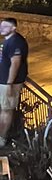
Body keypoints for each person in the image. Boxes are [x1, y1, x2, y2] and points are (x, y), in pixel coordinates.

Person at [0, 17, 29, 148]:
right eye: (1, 26)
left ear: (13, 28)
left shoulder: (16, 42)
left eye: (5, 26)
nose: (2, 29)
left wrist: (10, 84)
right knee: (3, 109)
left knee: (6, 110)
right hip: (4, 82)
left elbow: (15, 63)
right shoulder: (8, 41)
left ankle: (1, 139)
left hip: (8, 84)